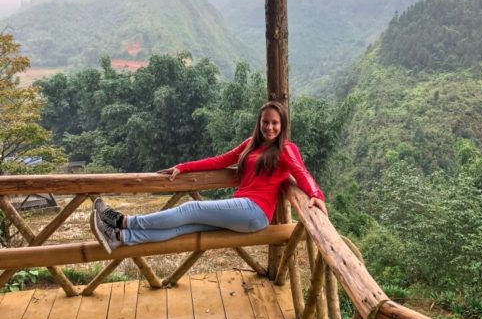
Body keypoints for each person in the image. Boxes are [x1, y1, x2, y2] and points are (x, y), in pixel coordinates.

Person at [90, 101, 327, 254]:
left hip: (256, 211)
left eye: (275, 123)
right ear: (259, 123)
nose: (269, 127)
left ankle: (122, 221)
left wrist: (316, 195)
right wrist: (183, 167)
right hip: (243, 207)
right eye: (265, 122)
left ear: (282, 125)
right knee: (184, 227)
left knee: (190, 208)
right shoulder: (251, 144)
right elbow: (220, 161)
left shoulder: (286, 149)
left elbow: (301, 173)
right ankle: (120, 237)